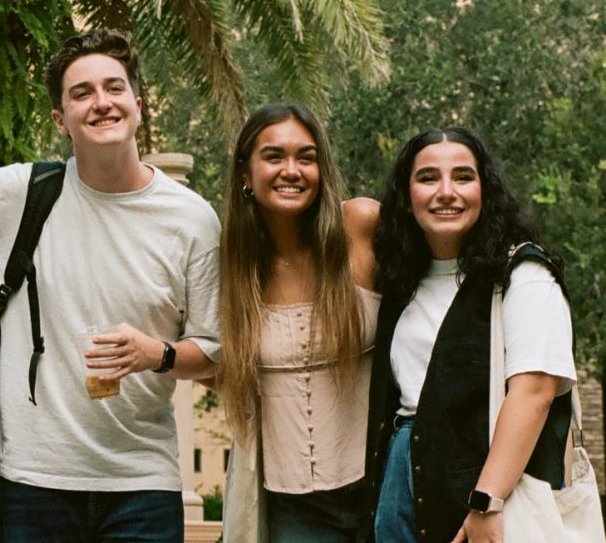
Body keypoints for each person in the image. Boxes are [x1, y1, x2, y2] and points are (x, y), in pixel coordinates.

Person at [0, 28, 221, 543]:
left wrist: (156, 353)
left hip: (143, 484)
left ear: (138, 105)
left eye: (114, 88)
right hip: (35, 480)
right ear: (61, 120)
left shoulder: (191, 219)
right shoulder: (20, 195)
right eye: (82, 93)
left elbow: (216, 354)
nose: (101, 103)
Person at [365, 127, 576, 543]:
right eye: (428, 178)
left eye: (463, 177)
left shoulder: (523, 275)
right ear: (407, 197)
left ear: (485, 190)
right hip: (399, 486)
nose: (446, 191)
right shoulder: (402, 283)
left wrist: (487, 500)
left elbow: (535, 391)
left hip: (489, 496)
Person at [216, 104, 380, 543]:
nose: (292, 170)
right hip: (295, 512)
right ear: (245, 176)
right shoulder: (233, 270)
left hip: (381, 490)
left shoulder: (361, 229)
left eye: (306, 157)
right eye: (274, 157)